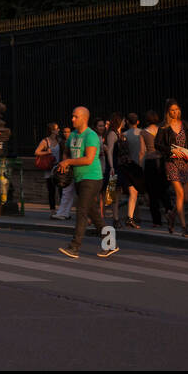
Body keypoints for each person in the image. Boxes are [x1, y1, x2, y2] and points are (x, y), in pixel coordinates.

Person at [58, 106, 119, 260]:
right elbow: (66, 151)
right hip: (79, 178)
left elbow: (89, 159)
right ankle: (110, 244)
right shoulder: (73, 135)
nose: (72, 119)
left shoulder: (91, 136)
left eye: (75, 116)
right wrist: (65, 162)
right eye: (72, 116)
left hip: (92, 178)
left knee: (82, 210)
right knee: (93, 213)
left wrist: (69, 162)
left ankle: (74, 247)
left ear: (84, 118)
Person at [155, 98, 188, 236]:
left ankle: (171, 215)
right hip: (171, 162)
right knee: (180, 194)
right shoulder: (164, 127)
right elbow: (157, 144)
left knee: (185, 198)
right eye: (172, 110)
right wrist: (171, 150)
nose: (175, 112)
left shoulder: (185, 124)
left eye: (177, 109)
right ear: (168, 112)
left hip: (185, 162)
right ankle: (184, 228)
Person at [117, 113, 146, 228]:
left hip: (129, 167)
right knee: (136, 193)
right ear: (138, 122)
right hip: (140, 165)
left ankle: (131, 217)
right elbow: (143, 151)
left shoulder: (124, 135)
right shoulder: (143, 133)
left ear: (127, 122)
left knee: (132, 193)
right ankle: (133, 217)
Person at [140, 111, 166, 227]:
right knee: (163, 190)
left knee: (152, 193)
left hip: (150, 162)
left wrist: (141, 166)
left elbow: (142, 151)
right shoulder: (162, 130)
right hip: (161, 161)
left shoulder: (143, 132)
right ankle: (169, 211)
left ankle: (157, 221)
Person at [35, 122, 60, 216]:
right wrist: (46, 152)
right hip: (49, 169)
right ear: (52, 130)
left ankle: (62, 210)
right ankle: (52, 210)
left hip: (58, 168)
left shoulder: (59, 140)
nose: (58, 130)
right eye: (57, 128)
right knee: (51, 190)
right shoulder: (45, 141)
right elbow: (37, 152)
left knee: (61, 190)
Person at [104, 113, 125, 228]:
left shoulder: (118, 133)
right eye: (123, 120)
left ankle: (115, 218)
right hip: (114, 166)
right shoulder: (112, 134)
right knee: (112, 194)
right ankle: (114, 218)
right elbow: (110, 151)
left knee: (116, 193)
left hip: (119, 166)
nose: (124, 122)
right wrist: (111, 166)